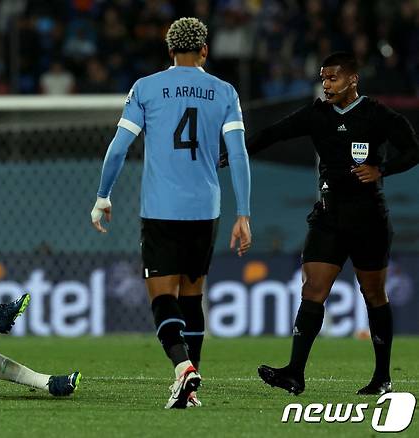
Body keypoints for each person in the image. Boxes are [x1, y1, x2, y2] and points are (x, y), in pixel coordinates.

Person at [222, 52, 419, 395]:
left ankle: (382, 377)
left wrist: (381, 170)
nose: (326, 85)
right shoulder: (317, 114)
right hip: (328, 216)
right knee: (312, 289)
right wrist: (238, 151)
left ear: (352, 80)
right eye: (323, 78)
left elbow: (413, 149)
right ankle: (294, 373)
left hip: (368, 218)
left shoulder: (377, 115)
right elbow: (274, 133)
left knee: (373, 293)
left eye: (333, 79)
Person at [90, 17, 252, 409]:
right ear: (204, 51)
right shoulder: (225, 91)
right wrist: (243, 213)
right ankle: (190, 390)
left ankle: (183, 369)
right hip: (206, 210)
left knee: (163, 298)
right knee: (193, 299)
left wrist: (102, 196)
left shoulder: (146, 88)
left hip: (161, 210)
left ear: (168, 52)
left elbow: (118, 147)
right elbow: (240, 154)